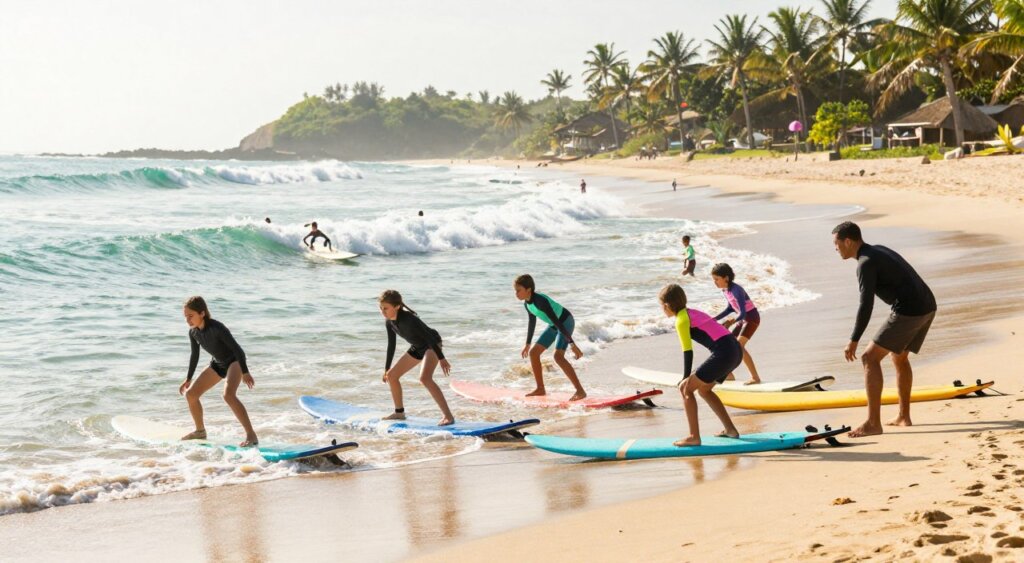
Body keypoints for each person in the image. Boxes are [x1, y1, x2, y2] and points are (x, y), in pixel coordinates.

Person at [832, 221, 936, 438]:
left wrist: (854, 339)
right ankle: (903, 417)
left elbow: (865, 304)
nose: (836, 248)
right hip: (927, 305)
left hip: (910, 309)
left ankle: (873, 423)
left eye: (837, 243)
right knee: (899, 358)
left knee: (869, 358)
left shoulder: (865, 262)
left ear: (848, 241)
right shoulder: (877, 250)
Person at [659, 284, 742, 446]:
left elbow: (687, 351)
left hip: (725, 353)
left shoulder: (681, 320)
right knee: (704, 389)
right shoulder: (693, 313)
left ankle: (693, 437)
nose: (662, 309)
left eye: (661, 306)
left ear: (667, 305)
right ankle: (730, 430)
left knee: (686, 389)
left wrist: (684, 379)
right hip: (735, 351)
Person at [179, 296, 258, 447]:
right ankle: (200, 431)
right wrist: (188, 378)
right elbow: (194, 355)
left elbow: (238, 349)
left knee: (228, 395)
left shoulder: (217, 328)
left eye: (191, 316)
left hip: (234, 361)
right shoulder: (193, 332)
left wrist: (245, 371)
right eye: (185, 317)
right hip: (218, 363)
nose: (188, 320)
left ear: (202, 313)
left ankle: (251, 435)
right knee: (191, 394)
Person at [379, 290, 455, 426]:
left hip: (432, 344)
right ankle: (399, 413)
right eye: (381, 308)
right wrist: (386, 368)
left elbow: (429, 337)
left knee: (425, 378)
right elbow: (391, 344)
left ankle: (448, 416)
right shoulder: (389, 322)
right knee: (392, 376)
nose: (383, 311)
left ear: (396, 306)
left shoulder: (409, 319)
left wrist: (441, 358)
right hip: (418, 346)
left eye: (386, 308)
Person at [514, 274, 585, 400]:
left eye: (518, 290)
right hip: (554, 324)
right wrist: (528, 343)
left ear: (528, 289)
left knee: (558, 356)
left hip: (565, 321)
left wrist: (572, 344)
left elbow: (558, 322)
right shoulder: (527, 304)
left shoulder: (540, 301)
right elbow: (532, 321)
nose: (516, 293)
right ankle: (540, 389)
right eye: (515, 290)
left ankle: (580, 391)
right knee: (534, 353)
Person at [711, 263, 762, 384]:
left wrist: (732, 321)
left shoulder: (736, 290)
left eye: (717, 279)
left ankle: (755, 377)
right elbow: (730, 308)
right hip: (743, 319)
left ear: (726, 278)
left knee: (739, 346)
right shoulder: (726, 290)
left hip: (751, 318)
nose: (715, 282)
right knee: (729, 345)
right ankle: (728, 374)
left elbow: (743, 313)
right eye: (714, 280)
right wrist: (714, 319)